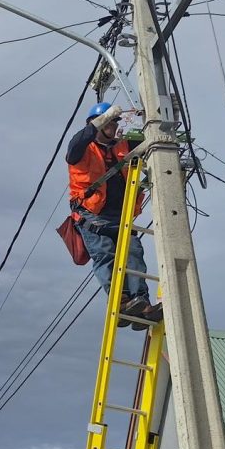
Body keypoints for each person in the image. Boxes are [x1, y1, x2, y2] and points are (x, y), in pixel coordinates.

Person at [67, 102, 162, 327]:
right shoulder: (82, 148)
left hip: (121, 215)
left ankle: (141, 301)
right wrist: (103, 118)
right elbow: (75, 145)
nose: (113, 126)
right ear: (95, 124)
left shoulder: (122, 146)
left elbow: (154, 135)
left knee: (134, 253)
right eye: (108, 122)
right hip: (91, 216)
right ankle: (121, 301)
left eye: (114, 122)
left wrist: (150, 115)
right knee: (105, 254)